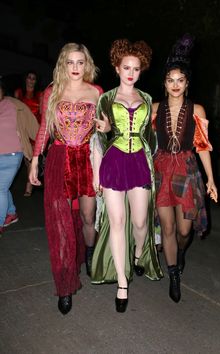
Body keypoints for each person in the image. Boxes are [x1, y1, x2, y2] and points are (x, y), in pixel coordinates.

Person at [29, 43, 104, 315]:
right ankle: (64, 284)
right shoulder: (51, 92)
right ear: (63, 64)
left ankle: (89, 253)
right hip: (60, 157)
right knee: (59, 222)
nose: (75, 68)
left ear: (87, 64)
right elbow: (44, 129)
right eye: (70, 62)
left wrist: (106, 129)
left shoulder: (97, 92)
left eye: (80, 62)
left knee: (86, 216)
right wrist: (36, 159)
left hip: (86, 158)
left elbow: (105, 130)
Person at [91, 39, 163, 313]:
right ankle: (122, 282)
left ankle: (137, 252)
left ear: (141, 70)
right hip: (113, 161)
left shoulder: (145, 98)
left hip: (139, 161)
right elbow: (99, 139)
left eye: (136, 68)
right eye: (126, 68)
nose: (131, 73)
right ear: (117, 68)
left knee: (141, 222)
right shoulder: (106, 98)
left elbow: (150, 136)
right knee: (117, 221)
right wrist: (97, 173)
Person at [152, 34, 218, 303]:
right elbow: (145, 142)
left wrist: (211, 180)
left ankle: (180, 254)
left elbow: (202, 146)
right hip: (162, 169)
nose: (175, 85)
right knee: (167, 228)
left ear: (187, 83)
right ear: (164, 83)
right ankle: (173, 274)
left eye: (180, 80)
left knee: (183, 231)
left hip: (188, 169)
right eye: (170, 80)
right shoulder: (155, 108)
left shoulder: (197, 110)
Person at [0, 78, 39, 237]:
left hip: (12, 154)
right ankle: (11, 213)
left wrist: (42, 143)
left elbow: (33, 126)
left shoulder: (15, 105)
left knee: (0, 189)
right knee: (2, 188)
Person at [15, 70, 43, 197]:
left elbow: (43, 114)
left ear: (36, 81)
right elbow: (14, 112)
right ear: (25, 79)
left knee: (30, 159)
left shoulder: (40, 95)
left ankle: (29, 185)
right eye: (29, 77)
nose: (31, 80)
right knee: (27, 159)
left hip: (34, 130)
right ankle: (30, 181)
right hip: (22, 130)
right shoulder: (19, 93)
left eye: (34, 78)